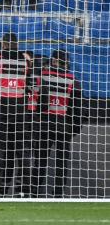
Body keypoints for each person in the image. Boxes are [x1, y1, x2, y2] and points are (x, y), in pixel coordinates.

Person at [29, 50, 82, 198]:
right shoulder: (73, 81)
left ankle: (34, 191)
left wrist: (34, 123)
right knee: (61, 162)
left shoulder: (42, 77)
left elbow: (34, 101)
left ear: (53, 61)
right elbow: (77, 108)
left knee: (40, 160)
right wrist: (75, 128)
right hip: (63, 126)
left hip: (44, 124)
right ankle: (58, 193)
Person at [0, 33, 29, 197]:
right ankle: (22, 190)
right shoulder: (26, 60)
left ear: (4, 45)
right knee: (22, 151)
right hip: (21, 110)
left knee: (0, 150)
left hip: (1, 110)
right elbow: (31, 85)